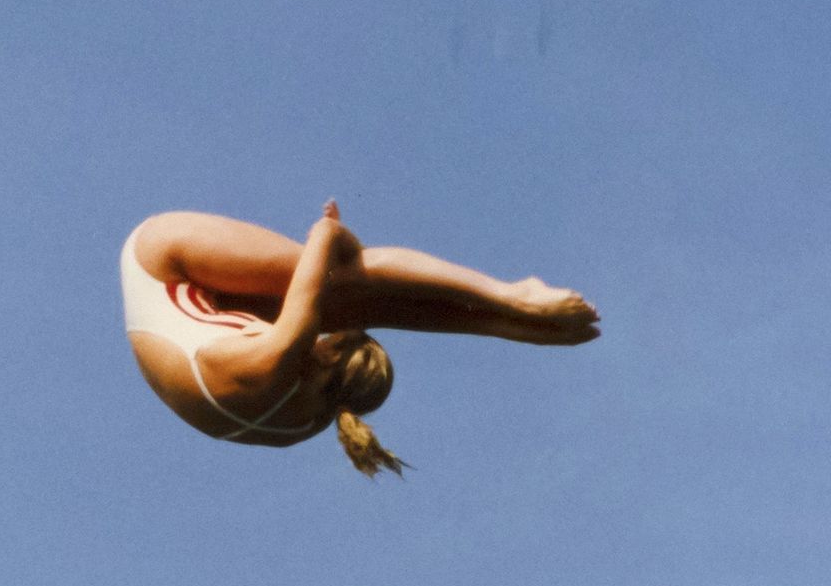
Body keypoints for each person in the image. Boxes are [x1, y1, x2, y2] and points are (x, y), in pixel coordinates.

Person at [120, 203, 598, 476]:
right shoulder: (303, 402)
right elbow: (333, 257)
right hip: (183, 296)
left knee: (348, 285)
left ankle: (510, 308)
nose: (326, 332)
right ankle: (509, 312)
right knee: (352, 288)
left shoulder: (282, 369)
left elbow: (328, 243)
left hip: (165, 265)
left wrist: (338, 238)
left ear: (328, 353)